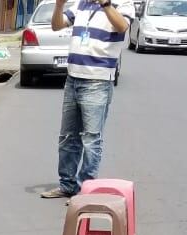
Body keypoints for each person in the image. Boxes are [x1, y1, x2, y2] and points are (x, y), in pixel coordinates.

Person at [39, 0, 135, 200]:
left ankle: (86, 191)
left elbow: (123, 27)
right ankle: (67, 185)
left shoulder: (123, 3)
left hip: (98, 81)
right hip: (73, 78)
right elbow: (57, 25)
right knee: (67, 137)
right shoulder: (81, 4)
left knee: (91, 139)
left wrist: (106, 4)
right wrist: (58, 6)